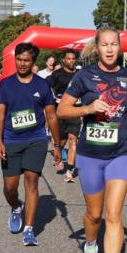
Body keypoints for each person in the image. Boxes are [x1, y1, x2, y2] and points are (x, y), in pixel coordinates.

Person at [57, 26, 127, 253]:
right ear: (97, 48)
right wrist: (88, 109)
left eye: (114, 45)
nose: (110, 49)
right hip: (90, 153)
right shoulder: (84, 76)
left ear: (120, 48)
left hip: (120, 152)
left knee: (113, 214)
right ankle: (91, 245)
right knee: (94, 215)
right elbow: (62, 110)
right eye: (105, 45)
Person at [0, 43, 60, 246]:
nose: (22, 64)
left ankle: (30, 229)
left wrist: (57, 145)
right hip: (11, 140)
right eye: (19, 59)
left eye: (27, 60)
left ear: (33, 62)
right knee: (10, 188)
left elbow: (51, 116)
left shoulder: (42, 85)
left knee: (32, 181)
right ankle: (16, 207)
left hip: (36, 139)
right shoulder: (6, 84)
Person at [48, 49, 81, 182]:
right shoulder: (57, 74)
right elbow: (47, 89)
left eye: (73, 59)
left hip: (75, 111)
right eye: (69, 58)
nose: (71, 61)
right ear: (63, 60)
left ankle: (70, 170)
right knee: (61, 141)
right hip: (60, 112)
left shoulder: (80, 74)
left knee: (73, 139)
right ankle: (58, 155)